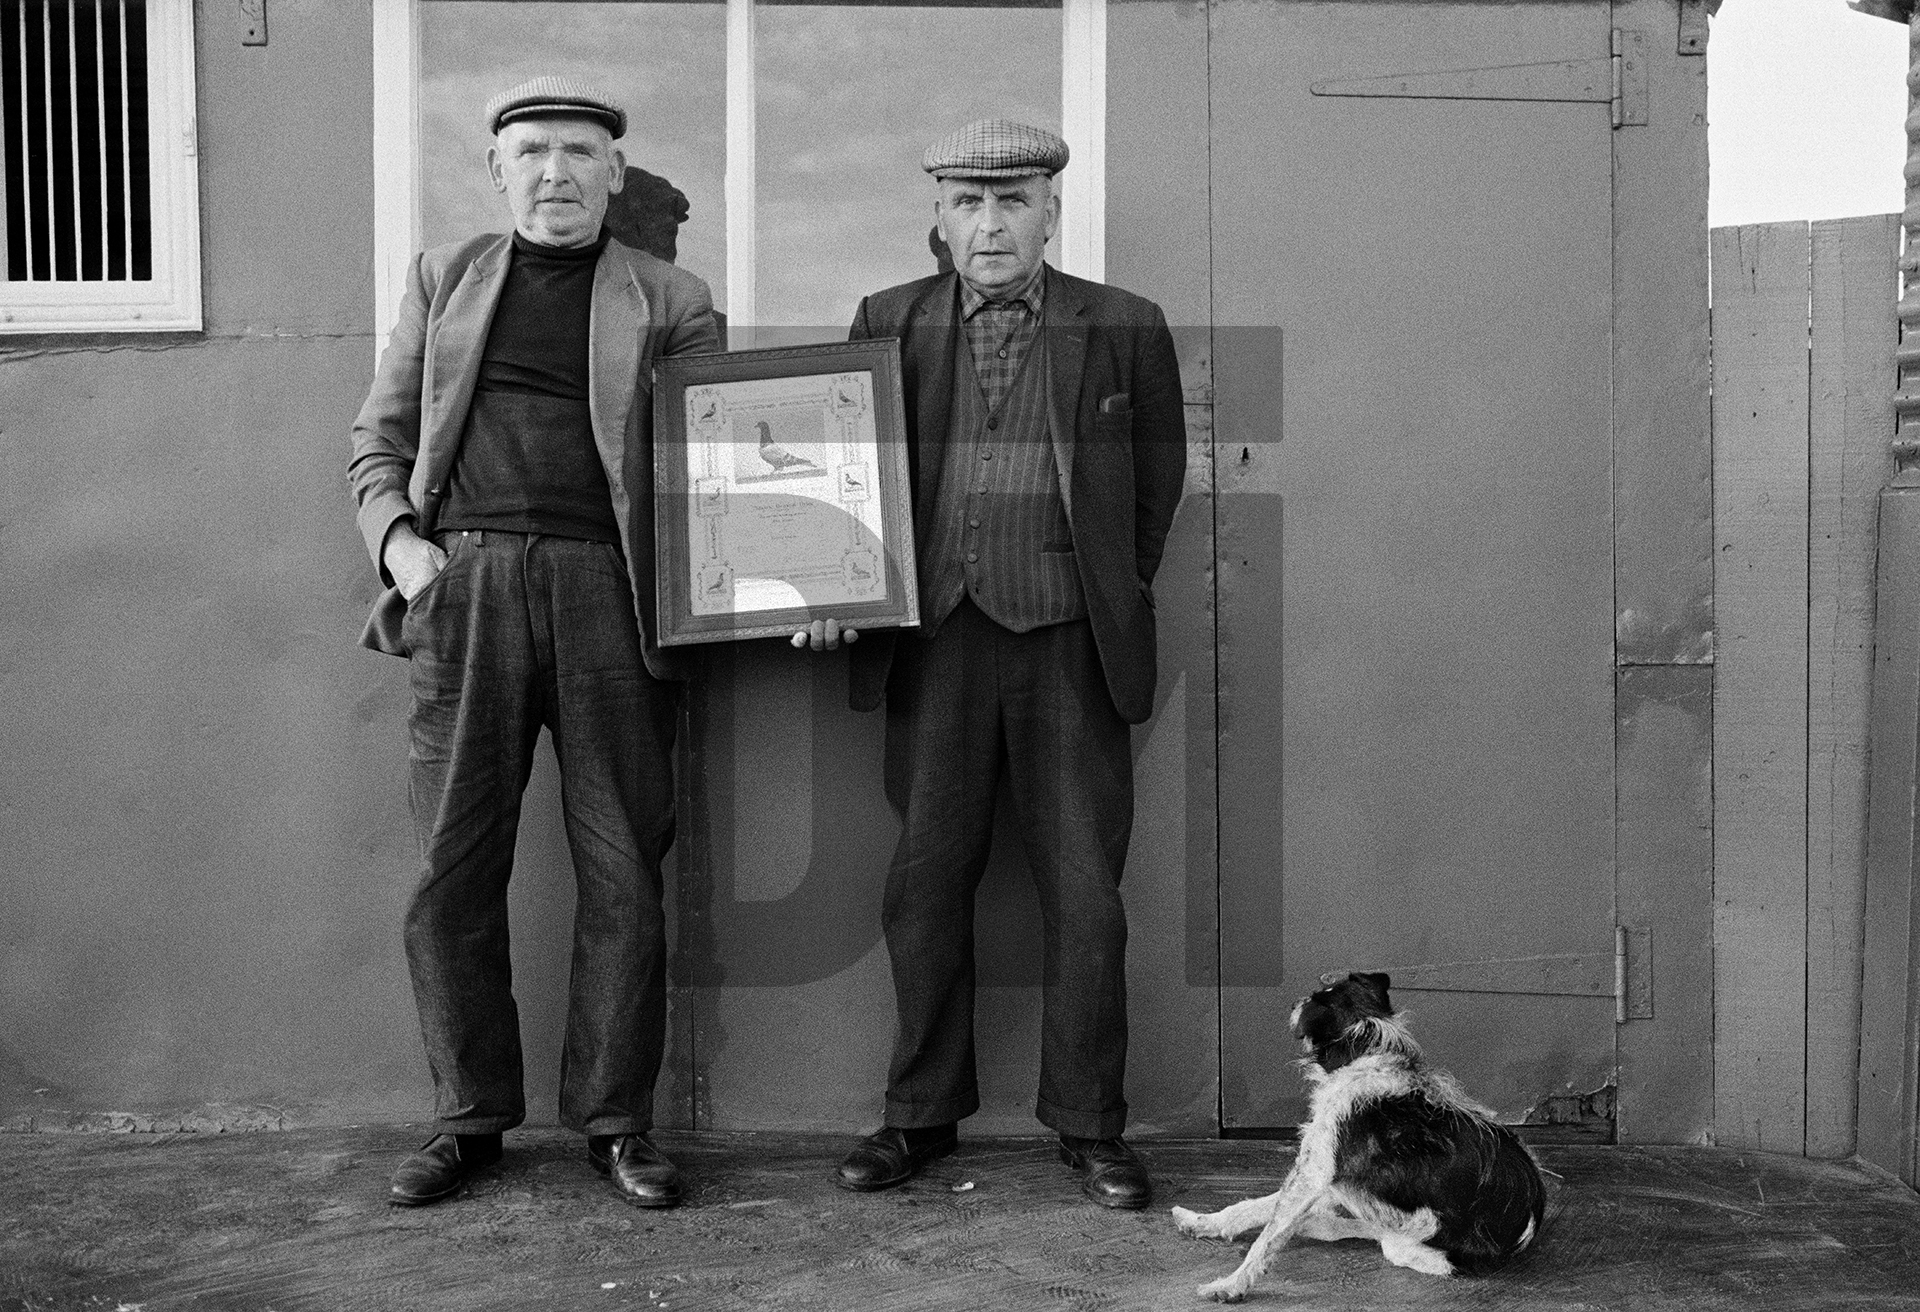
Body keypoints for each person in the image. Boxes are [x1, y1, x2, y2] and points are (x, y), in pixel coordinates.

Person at [348, 76, 718, 1209]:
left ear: (617, 172)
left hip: (615, 594)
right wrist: (406, 550)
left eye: (578, 152)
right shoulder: (441, 279)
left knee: (622, 872)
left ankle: (616, 1124)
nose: (555, 171)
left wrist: (790, 571)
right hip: (469, 585)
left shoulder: (671, 295)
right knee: (451, 870)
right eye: (532, 152)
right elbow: (380, 440)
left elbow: (720, 466)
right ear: (498, 170)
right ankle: (469, 1119)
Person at [804, 119, 1186, 1209]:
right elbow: (842, 481)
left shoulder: (1122, 324)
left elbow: (1154, 489)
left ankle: (1091, 1126)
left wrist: (1092, 583)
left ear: (1050, 211)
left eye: (1012, 201)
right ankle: (919, 1117)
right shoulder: (889, 320)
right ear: (938, 213)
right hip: (933, 646)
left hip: (1069, 645)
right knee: (924, 888)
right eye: (968, 203)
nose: (990, 223)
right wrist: (838, 594)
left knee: (1087, 898)